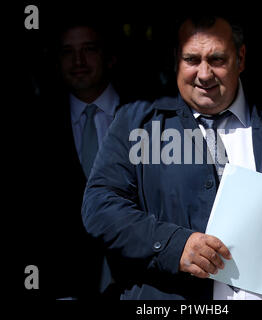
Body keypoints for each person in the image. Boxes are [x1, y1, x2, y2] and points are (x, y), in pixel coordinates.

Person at [81, 14, 262, 300]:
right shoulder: (138, 123)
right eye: (192, 60)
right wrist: (173, 245)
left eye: (217, 60)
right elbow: (100, 205)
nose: (204, 74)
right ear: (175, 60)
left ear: (241, 58)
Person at [49, 20, 122, 299]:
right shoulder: (36, 121)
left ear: (109, 56)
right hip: (68, 285)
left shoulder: (150, 116)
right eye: (68, 52)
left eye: (89, 49)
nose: (78, 61)